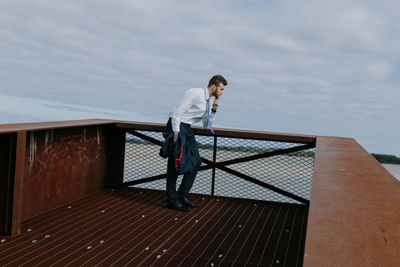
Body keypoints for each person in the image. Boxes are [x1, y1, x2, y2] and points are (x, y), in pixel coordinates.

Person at [164, 74, 227, 212]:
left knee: (197, 161)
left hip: (187, 128)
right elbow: (177, 113)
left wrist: (214, 110)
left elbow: (206, 124)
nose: (222, 93)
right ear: (214, 86)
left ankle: (182, 195)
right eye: (221, 89)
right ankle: (172, 199)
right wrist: (176, 133)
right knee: (175, 163)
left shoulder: (209, 101)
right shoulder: (195, 93)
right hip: (178, 126)